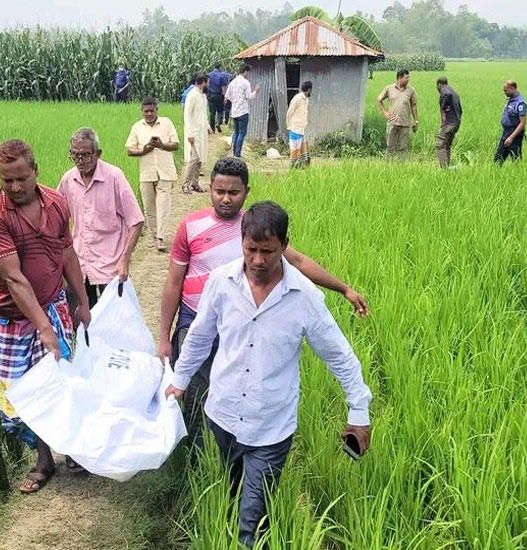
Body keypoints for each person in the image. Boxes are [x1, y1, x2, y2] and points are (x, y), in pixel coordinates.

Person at [165, 200, 373, 549]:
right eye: (251, 250)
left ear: (285, 245)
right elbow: (200, 337)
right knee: (230, 498)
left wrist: (359, 411)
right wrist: (180, 381)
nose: (258, 260)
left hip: (271, 426)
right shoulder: (221, 282)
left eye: (268, 251)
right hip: (224, 415)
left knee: (251, 519)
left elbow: (340, 356)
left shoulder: (304, 296)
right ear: (241, 242)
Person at [158, 157, 369, 434]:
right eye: (219, 191)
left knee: (240, 385)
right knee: (193, 392)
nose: (225, 199)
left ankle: (243, 441)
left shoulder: (257, 230)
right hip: (195, 318)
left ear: (246, 191)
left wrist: (344, 289)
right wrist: (164, 337)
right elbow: (173, 283)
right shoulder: (191, 226)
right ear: (209, 188)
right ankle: (195, 455)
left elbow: (299, 262)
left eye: (233, 192)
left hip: (243, 321)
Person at [0, 139, 92, 490]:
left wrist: (82, 302)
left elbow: (67, 253)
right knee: (21, 391)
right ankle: (44, 460)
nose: (14, 187)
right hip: (12, 318)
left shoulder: (56, 203)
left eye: (20, 178)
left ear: (35, 171)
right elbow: (13, 278)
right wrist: (42, 327)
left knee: (58, 382)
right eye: (6, 180)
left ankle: (71, 450)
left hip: (54, 304)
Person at [57, 128, 144, 308]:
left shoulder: (114, 177)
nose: (80, 160)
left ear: (98, 154)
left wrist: (124, 259)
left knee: (112, 320)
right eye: (75, 155)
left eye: (86, 155)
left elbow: (135, 221)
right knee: (84, 322)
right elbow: (56, 217)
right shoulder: (68, 179)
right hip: (80, 263)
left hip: (110, 264)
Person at [125, 97, 179, 252]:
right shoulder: (137, 127)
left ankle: (161, 237)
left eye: (152, 111)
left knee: (163, 205)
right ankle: (154, 236)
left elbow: (175, 144)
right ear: (142, 111)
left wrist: (161, 145)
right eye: (146, 111)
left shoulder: (166, 123)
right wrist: (144, 150)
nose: (149, 114)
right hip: (146, 173)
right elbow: (129, 149)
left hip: (165, 171)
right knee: (149, 208)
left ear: (157, 110)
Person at [376, 69, 418, 159]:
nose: (408, 79)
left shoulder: (411, 90)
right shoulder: (389, 88)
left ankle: (401, 168)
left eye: (408, 77)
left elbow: (414, 105)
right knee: (390, 147)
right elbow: (379, 99)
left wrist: (416, 121)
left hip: (405, 122)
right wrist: (385, 112)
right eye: (406, 77)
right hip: (392, 122)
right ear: (399, 78)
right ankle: (389, 166)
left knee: (403, 148)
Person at [183, 74, 211, 194]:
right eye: (208, 82)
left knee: (199, 159)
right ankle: (185, 184)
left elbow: (203, 114)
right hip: (194, 132)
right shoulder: (192, 95)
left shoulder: (202, 96)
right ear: (203, 82)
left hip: (201, 131)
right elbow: (187, 116)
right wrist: (189, 133)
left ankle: (195, 183)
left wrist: (208, 127)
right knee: (194, 158)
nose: (208, 85)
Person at [225, 63, 261, 158]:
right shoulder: (246, 83)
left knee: (236, 132)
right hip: (243, 112)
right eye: (247, 72)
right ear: (245, 71)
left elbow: (227, 96)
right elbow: (249, 96)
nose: (247, 74)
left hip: (235, 112)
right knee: (242, 133)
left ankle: (234, 152)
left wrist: (235, 101)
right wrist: (256, 91)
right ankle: (237, 153)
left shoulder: (232, 82)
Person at [494, 80, 527, 164]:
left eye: (505, 90)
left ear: (512, 88)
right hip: (506, 133)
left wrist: (511, 137)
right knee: (498, 160)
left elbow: (522, 123)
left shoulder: (520, 103)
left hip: (515, 135)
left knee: (516, 160)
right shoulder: (511, 100)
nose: (504, 92)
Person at [435, 76, 462, 168]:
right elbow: (461, 110)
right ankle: (447, 166)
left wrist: (443, 111)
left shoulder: (445, 90)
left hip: (449, 123)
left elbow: (447, 94)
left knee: (440, 144)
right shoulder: (455, 93)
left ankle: (443, 169)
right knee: (447, 145)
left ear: (439, 85)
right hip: (456, 123)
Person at [286, 81, 313, 168]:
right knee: (295, 150)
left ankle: (301, 167)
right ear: (309, 90)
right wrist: (288, 125)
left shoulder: (306, 100)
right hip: (295, 129)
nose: (310, 92)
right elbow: (289, 112)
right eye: (310, 90)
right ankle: (294, 168)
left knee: (303, 150)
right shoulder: (297, 99)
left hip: (301, 129)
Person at [208, 63, 230, 133]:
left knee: (212, 113)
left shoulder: (209, 75)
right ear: (219, 67)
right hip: (219, 95)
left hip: (211, 95)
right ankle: (218, 123)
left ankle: (212, 129)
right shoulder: (221, 75)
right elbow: (224, 84)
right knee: (220, 111)